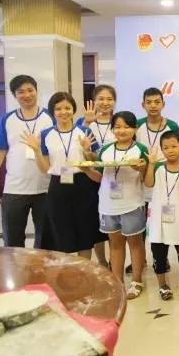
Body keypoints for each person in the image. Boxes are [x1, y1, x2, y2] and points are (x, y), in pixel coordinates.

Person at [20, 92, 99, 257]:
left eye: (68, 108)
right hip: (58, 185)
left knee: (85, 230)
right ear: (52, 111)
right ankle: (65, 269)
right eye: (59, 109)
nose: (64, 112)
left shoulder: (84, 130)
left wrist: (87, 151)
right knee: (60, 230)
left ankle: (84, 268)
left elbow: (94, 161)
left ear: (73, 110)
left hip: (83, 183)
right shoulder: (45, 134)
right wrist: (36, 150)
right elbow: (44, 168)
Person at [0, 75, 53, 248]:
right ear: (14, 95)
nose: (27, 95)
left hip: (45, 188)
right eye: (21, 92)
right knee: (12, 241)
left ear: (37, 91)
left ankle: (40, 266)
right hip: (14, 189)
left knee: (46, 240)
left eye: (30, 90)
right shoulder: (7, 119)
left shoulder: (50, 117)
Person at [95, 111, 149, 299]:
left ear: (135, 129)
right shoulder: (105, 150)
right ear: (112, 129)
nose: (122, 130)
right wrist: (85, 170)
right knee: (115, 244)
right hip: (108, 204)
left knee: (135, 243)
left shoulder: (141, 149)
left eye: (126, 126)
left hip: (132, 203)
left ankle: (136, 281)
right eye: (117, 127)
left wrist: (141, 168)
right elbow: (99, 177)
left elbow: (146, 178)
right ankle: (117, 282)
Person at [145, 130, 179, 300]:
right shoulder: (158, 167)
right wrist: (151, 164)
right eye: (166, 147)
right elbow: (148, 183)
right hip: (158, 220)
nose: (170, 150)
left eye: (174, 146)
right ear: (161, 149)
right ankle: (163, 286)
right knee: (159, 255)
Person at [132, 87, 179, 273]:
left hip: (163, 182)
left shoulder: (172, 125)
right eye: (149, 102)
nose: (153, 105)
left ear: (163, 104)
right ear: (142, 105)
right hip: (139, 180)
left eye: (157, 102)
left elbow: (176, 151)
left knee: (161, 223)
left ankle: (161, 259)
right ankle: (140, 259)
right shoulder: (137, 125)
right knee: (140, 224)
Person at [77, 84, 117, 267]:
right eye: (101, 99)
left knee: (113, 221)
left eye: (109, 99)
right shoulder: (83, 122)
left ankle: (115, 260)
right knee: (95, 221)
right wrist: (87, 123)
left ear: (115, 101)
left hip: (114, 178)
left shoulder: (119, 121)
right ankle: (102, 261)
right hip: (89, 178)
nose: (105, 102)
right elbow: (75, 145)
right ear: (94, 101)